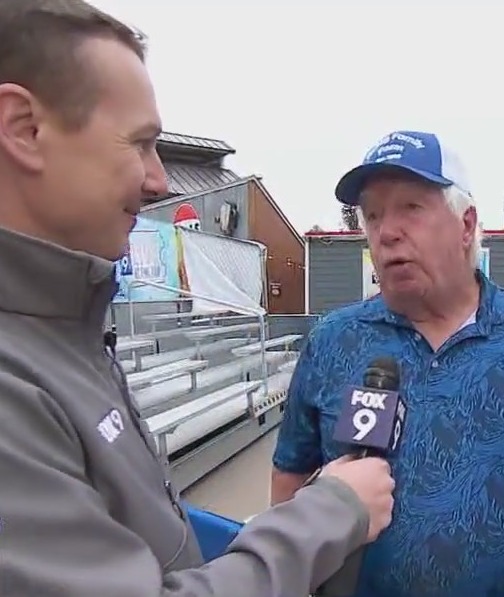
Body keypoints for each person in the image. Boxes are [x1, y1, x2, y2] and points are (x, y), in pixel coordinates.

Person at [0, 2, 395, 596]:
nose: (158, 179)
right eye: (140, 143)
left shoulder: (63, 324)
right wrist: (333, 512)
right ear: (23, 128)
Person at [271, 130, 504, 597]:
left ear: (466, 225)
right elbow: (290, 469)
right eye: (372, 214)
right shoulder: (334, 340)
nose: (386, 232)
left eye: (411, 208)